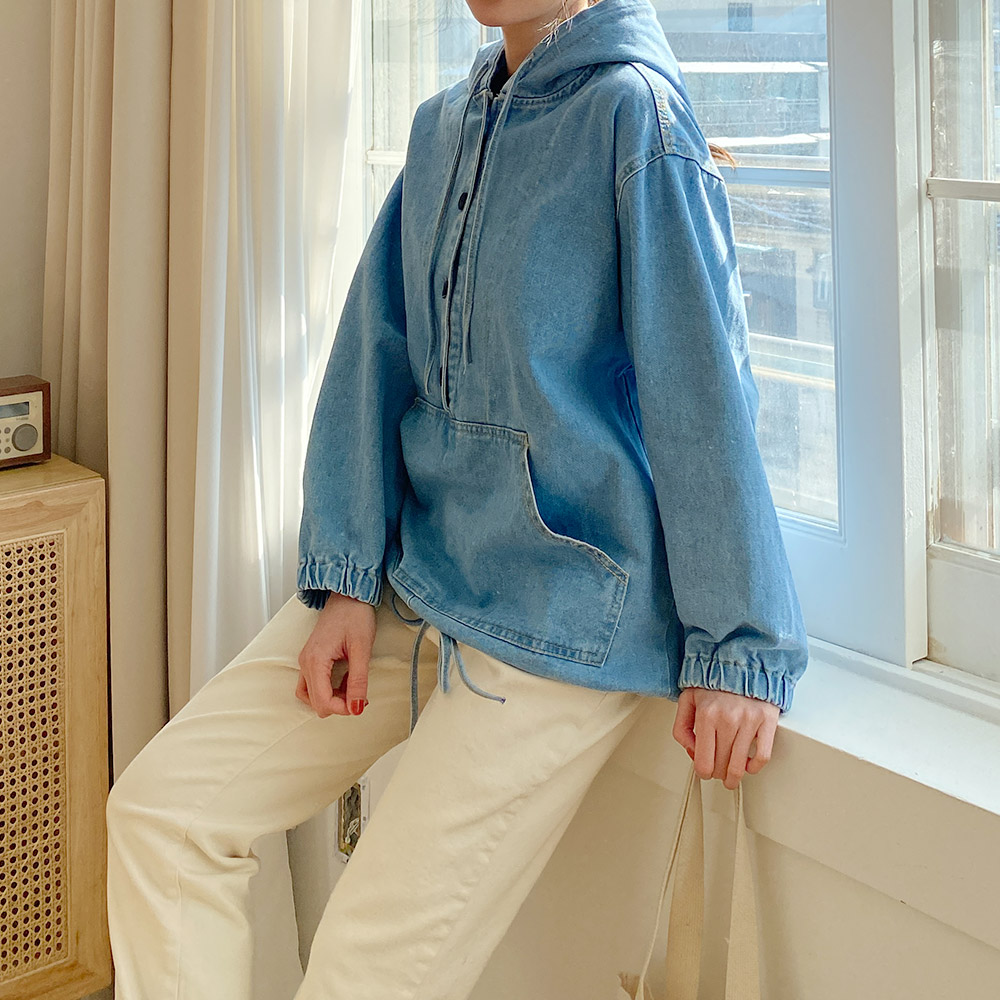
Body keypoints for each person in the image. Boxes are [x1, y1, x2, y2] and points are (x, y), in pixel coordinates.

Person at [105, 1, 810, 998]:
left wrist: (738, 644)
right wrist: (347, 576)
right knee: (162, 814)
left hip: (561, 606)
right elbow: (374, 353)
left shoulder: (635, 117)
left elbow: (701, 385)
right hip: (421, 574)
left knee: (359, 975)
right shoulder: (443, 125)